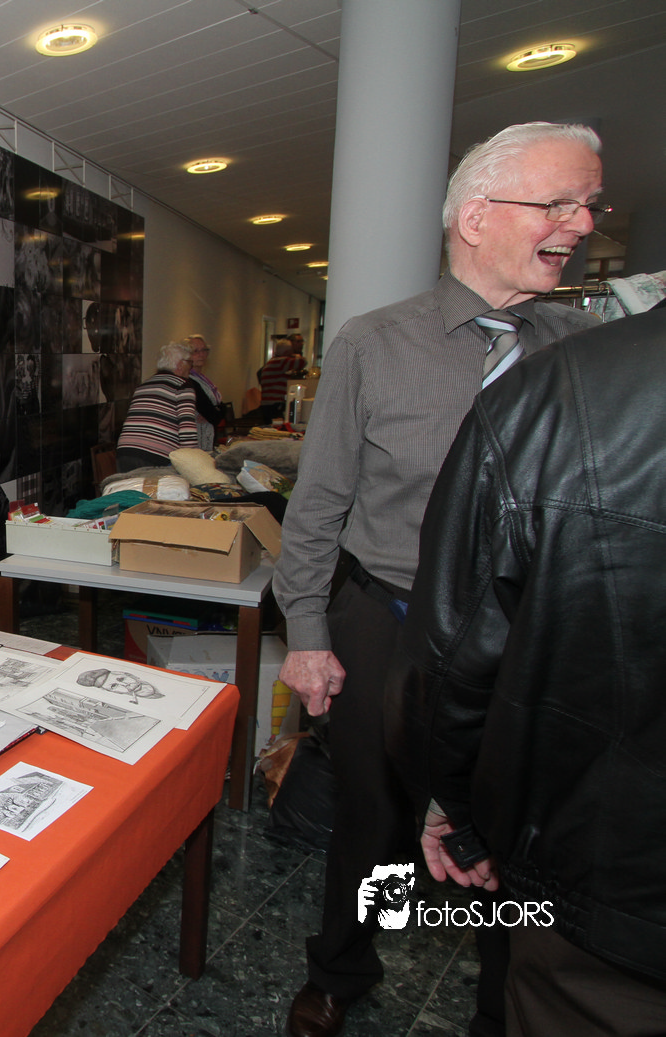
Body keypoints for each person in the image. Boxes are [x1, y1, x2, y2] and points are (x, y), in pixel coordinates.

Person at [273, 121, 605, 1037]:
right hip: (390, 619)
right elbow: (318, 503)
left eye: (588, 204)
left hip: (529, 639)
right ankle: (341, 968)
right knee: (372, 818)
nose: (581, 223)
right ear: (475, 216)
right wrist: (306, 636)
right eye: (558, 203)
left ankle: (506, 1002)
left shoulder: (584, 352)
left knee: (512, 834)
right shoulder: (374, 343)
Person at [403, 304, 666, 1037]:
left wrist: (459, 807)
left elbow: (454, 658)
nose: (571, 240)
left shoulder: (554, 389)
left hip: (598, 880)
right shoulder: (544, 394)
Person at [116, 339, 200, 470]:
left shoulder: (144, 385)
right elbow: (187, 429)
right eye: (190, 362)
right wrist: (193, 462)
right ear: (180, 365)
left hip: (125, 452)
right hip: (155, 457)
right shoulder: (182, 386)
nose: (191, 367)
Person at [185, 334, 223, 449]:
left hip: (207, 434)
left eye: (204, 350)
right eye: (195, 351)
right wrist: (217, 409)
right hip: (195, 438)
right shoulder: (188, 380)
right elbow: (213, 415)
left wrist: (217, 409)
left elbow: (219, 409)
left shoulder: (203, 379)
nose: (201, 355)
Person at [257, 335, 307, 421]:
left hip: (268, 403)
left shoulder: (273, 362)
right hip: (275, 403)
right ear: (287, 352)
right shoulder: (281, 362)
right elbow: (303, 362)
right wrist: (297, 355)